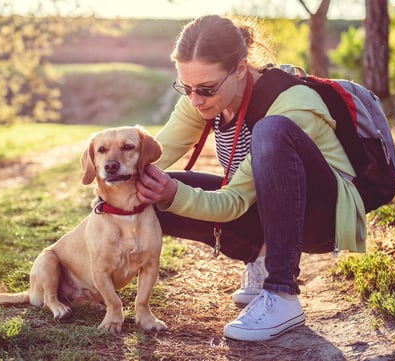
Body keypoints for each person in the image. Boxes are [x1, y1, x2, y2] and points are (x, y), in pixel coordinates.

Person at [136, 14, 366, 342]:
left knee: (270, 132)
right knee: (145, 191)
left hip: (322, 217)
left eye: (205, 88)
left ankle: (282, 293)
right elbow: (150, 156)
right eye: (185, 87)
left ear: (241, 69)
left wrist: (174, 193)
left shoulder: (291, 105)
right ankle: (260, 258)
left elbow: (233, 202)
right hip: (264, 207)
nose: (195, 99)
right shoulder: (202, 100)